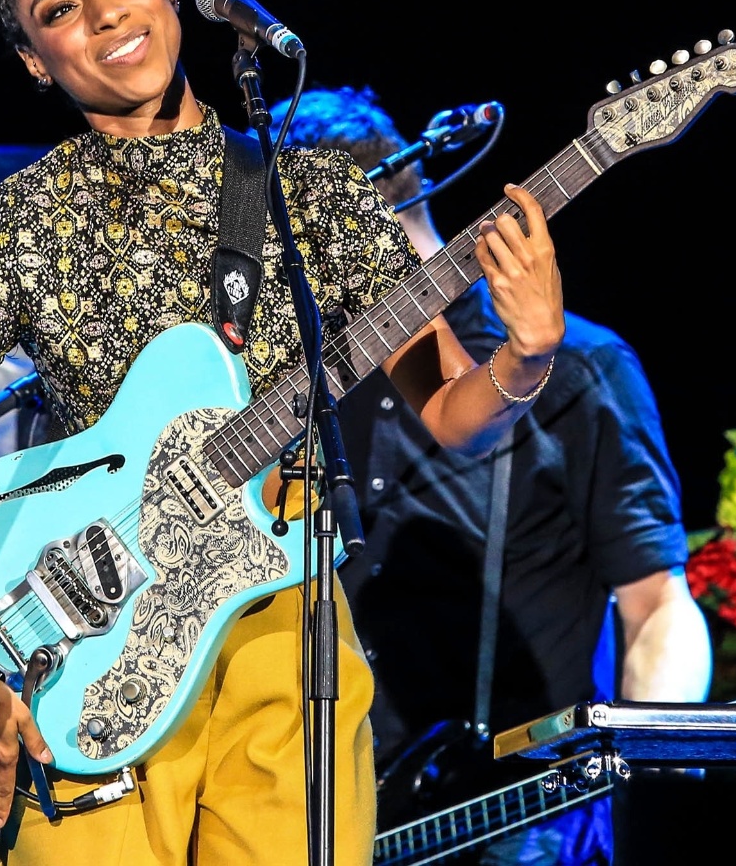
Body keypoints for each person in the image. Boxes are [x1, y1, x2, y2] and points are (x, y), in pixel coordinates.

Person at [0, 0, 567, 866]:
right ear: (32, 63)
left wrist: (527, 357)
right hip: (86, 660)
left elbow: (452, 410)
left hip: (281, 636)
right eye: (60, 11)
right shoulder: (30, 218)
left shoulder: (312, 190)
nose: (105, 17)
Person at [268, 86, 712, 866]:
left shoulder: (581, 367)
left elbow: (656, 609)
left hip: (516, 824)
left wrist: (649, 785)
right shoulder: (291, 386)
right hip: (315, 817)